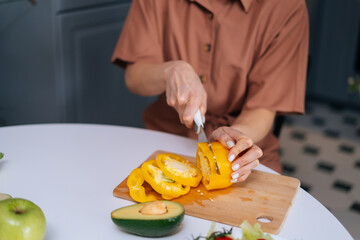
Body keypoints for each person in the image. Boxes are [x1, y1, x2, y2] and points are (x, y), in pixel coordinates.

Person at [112, 0, 309, 183]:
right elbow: (134, 78)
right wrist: (169, 71)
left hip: (245, 150)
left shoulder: (287, 7)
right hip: (165, 137)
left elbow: (263, 108)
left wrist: (238, 137)